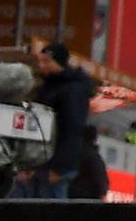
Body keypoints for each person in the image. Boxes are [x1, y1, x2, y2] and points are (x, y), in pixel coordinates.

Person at [28, 39, 105, 201]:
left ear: (59, 62)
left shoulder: (72, 90)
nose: (41, 65)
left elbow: (72, 128)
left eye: (46, 61)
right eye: (40, 61)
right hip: (45, 160)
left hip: (56, 163)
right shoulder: (50, 86)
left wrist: (60, 167)